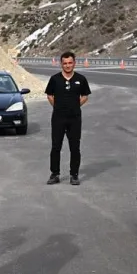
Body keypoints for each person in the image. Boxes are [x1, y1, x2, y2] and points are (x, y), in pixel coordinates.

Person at [44, 51, 91, 186]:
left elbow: (85, 96)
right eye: (65, 63)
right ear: (61, 64)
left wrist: (75, 106)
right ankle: (55, 174)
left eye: (70, 63)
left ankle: (74, 175)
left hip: (74, 119)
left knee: (75, 147)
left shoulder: (81, 79)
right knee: (56, 147)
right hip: (58, 118)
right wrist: (58, 107)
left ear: (74, 63)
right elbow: (50, 96)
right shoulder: (55, 79)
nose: (67, 65)